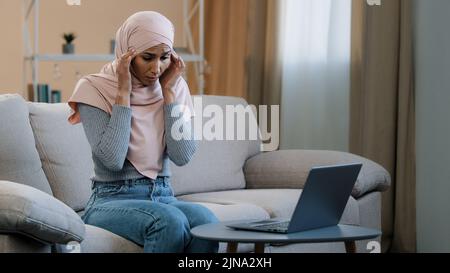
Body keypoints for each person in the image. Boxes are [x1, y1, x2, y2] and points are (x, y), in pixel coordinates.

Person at [67, 11, 218, 253]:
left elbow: (183, 155)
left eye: (164, 57)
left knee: (208, 223)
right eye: (147, 57)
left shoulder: (174, 85)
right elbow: (112, 159)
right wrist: (123, 92)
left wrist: (168, 94)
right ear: (128, 53)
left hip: (163, 195)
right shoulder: (93, 88)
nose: (157, 68)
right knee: (168, 221)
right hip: (111, 200)